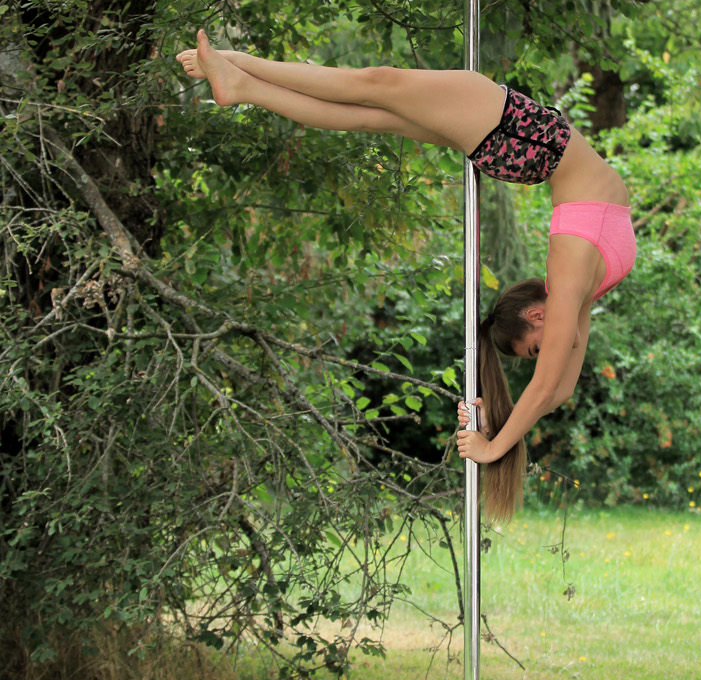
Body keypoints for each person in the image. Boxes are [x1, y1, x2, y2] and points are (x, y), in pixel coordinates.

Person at [176, 30, 635, 519]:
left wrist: (492, 444)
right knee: (374, 113)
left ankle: (236, 65)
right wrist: (493, 436)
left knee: (377, 84)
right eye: (538, 347)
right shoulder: (579, 289)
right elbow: (555, 390)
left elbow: (549, 388)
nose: (552, 348)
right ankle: (242, 85)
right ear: (535, 313)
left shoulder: (569, 275)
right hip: (524, 141)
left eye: (538, 348)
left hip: (524, 138)